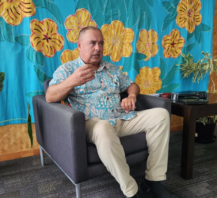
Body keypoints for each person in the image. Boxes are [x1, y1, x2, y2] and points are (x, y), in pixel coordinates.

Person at [46, 26, 179, 198]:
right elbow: (49, 96)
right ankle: (132, 191)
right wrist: (72, 81)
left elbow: (132, 85)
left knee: (161, 115)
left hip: (121, 117)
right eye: (92, 43)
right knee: (102, 128)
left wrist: (131, 95)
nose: (98, 48)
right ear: (79, 45)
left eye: (101, 43)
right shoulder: (67, 70)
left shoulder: (112, 69)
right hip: (92, 124)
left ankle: (153, 181)